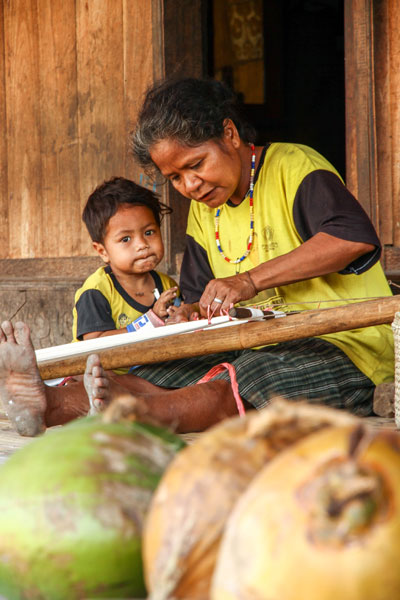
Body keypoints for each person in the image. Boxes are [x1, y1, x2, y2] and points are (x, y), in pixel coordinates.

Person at [128, 76, 394, 417]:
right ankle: (55, 404)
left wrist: (248, 281)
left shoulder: (293, 165)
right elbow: (198, 298)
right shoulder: (204, 209)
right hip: (256, 345)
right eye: (175, 178)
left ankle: (132, 419)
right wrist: (189, 313)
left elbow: (350, 238)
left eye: (195, 164)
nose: (190, 185)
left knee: (249, 377)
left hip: (350, 346)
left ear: (230, 135)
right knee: (154, 372)